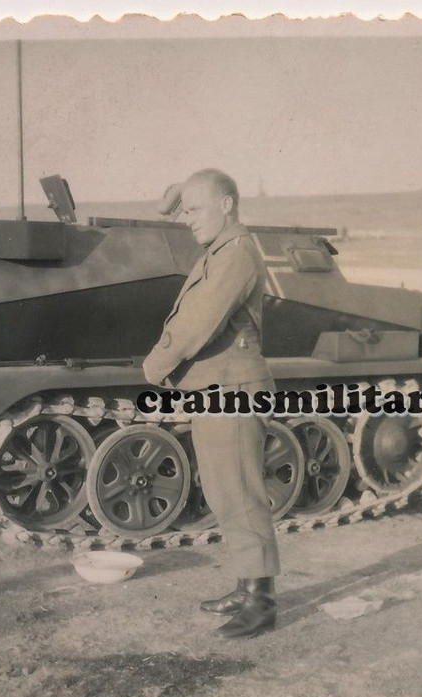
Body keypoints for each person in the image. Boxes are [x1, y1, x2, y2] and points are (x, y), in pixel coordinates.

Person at [142, 169, 278, 639]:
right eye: (185, 211)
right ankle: (246, 586)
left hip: (233, 392)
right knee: (225, 493)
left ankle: (262, 601)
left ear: (227, 205)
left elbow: (196, 324)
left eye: (195, 209)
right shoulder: (219, 253)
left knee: (240, 492)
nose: (187, 220)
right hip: (216, 390)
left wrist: (153, 367)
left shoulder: (236, 255)